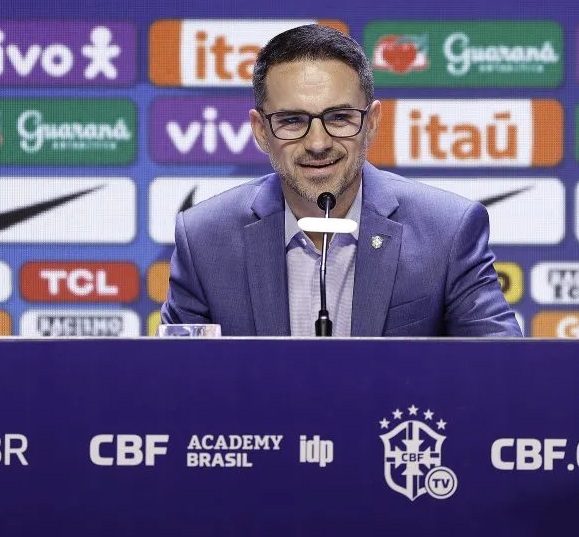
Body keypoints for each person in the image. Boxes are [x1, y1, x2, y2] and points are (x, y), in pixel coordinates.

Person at [160, 24, 522, 337]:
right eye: (291, 121)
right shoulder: (204, 239)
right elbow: (174, 386)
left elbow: (504, 373)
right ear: (260, 131)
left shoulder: (447, 231)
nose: (318, 143)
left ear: (372, 122)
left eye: (339, 117)